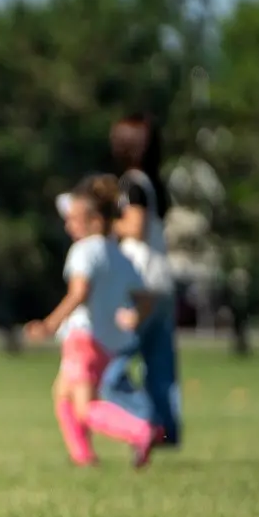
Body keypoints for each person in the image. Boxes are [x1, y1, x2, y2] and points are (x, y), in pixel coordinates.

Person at [33, 175, 163, 468]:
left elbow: (79, 292)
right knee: (62, 394)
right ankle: (82, 456)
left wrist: (50, 324)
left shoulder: (84, 250)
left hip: (83, 337)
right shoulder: (118, 254)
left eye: (74, 219)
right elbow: (147, 298)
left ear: (93, 220)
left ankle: (141, 431)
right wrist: (134, 317)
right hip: (106, 343)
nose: (68, 226)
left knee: (84, 407)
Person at [109, 114, 181, 449]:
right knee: (160, 366)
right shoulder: (154, 182)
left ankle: (147, 422)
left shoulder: (132, 183)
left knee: (116, 365)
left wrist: (106, 225)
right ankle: (167, 432)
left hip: (139, 283)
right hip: (163, 279)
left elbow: (134, 229)